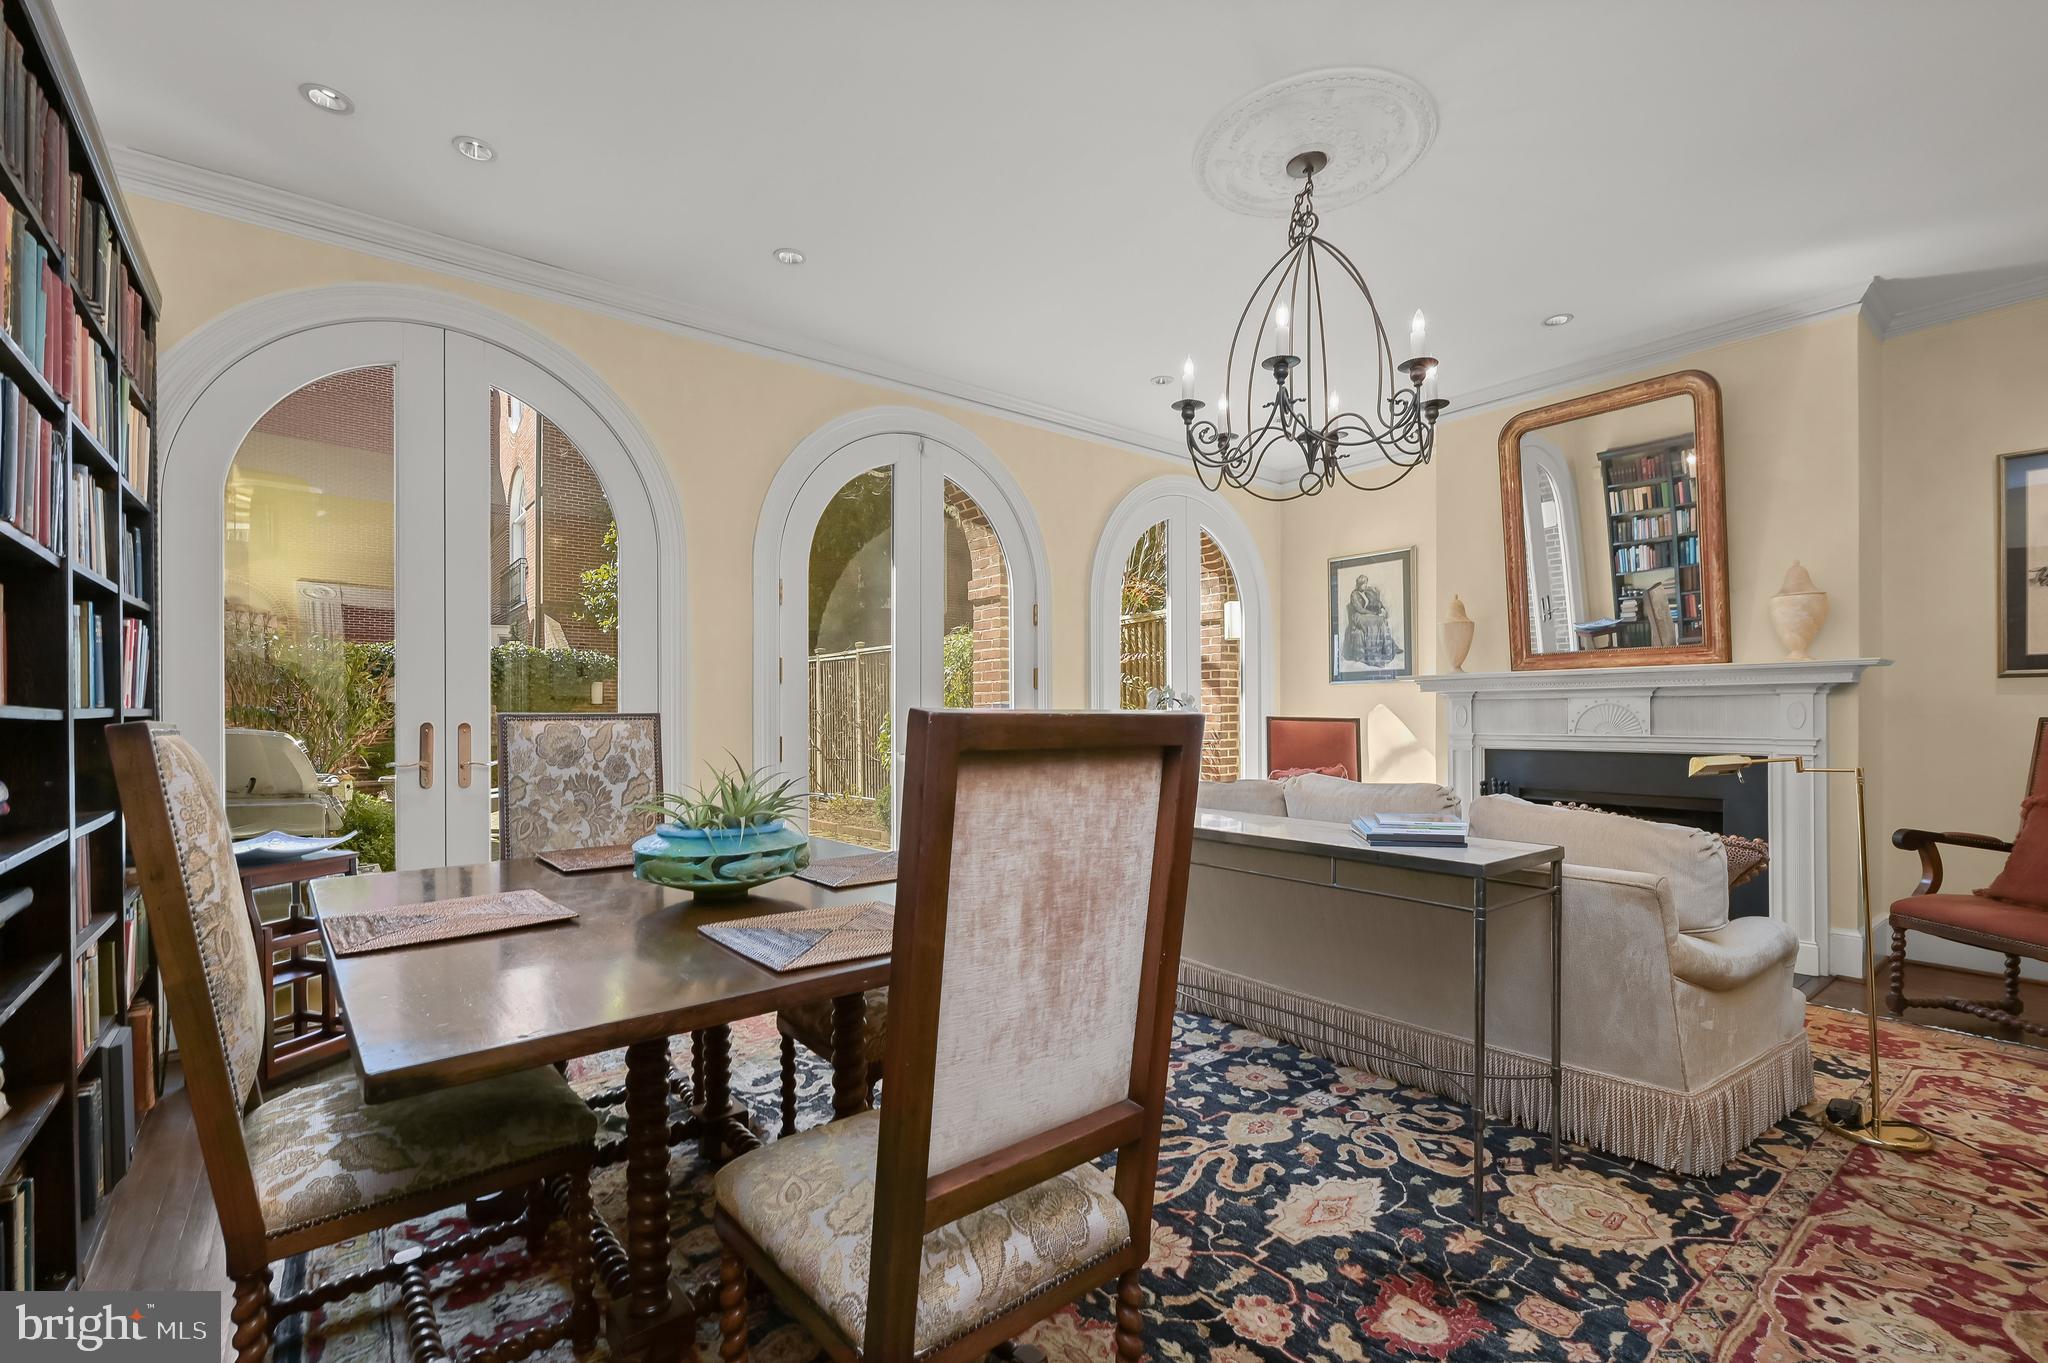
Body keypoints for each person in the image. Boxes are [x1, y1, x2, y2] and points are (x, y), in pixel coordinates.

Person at [1343, 573, 1401, 668]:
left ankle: (1387, 648)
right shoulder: (1354, 594)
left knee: (1380, 620)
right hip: (1358, 617)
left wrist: (1381, 608)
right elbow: (1359, 609)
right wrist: (1373, 614)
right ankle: (1373, 655)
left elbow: (1376, 602)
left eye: (1366, 583)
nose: (1365, 585)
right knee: (1377, 620)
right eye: (1363, 583)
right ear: (1359, 584)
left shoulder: (1367, 592)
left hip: (1366, 615)